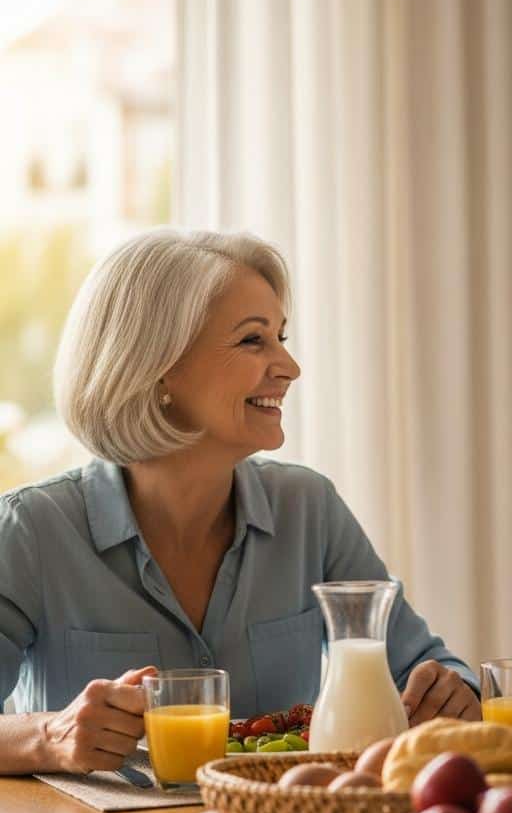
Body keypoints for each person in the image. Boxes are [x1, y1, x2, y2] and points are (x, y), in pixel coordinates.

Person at [0, 230, 481, 775]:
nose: (290, 367)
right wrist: (49, 735)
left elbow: (425, 663)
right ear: (160, 366)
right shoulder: (32, 529)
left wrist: (453, 692)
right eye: (254, 341)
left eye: (281, 336)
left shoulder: (308, 507)